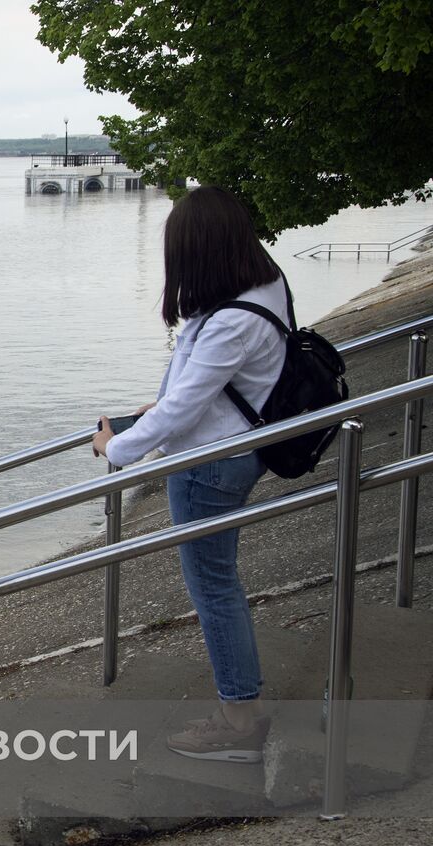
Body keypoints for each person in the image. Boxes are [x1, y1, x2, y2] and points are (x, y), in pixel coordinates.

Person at [92, 186, 288, 764]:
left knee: (213, 588)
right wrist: (159, 410)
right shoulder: (265, 285)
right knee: (219, 584)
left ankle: (238, 721)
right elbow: (202, 389)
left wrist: (118, 447)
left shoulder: (231, 321)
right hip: (232, 447)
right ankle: (239, 708)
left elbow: (185, 408)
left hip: (209, 466)